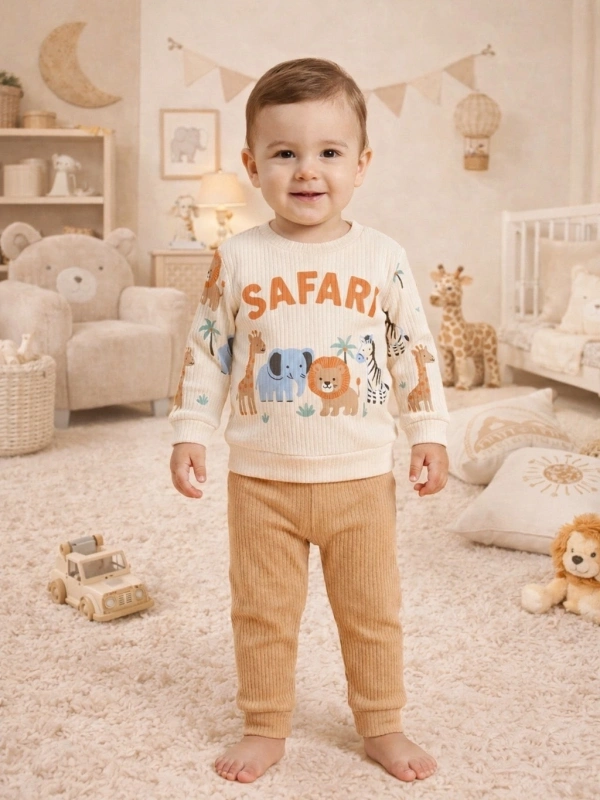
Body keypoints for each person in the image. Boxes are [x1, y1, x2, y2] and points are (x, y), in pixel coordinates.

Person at [169, 57, 449, 785]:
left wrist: (428, 431)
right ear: (252, 165)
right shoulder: (236, 257)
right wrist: (190, 430)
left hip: (359, 480)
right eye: (284, 153)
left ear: (361, 164)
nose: (306, 171)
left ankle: (382, 721)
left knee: (371, 611)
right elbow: (207, 351)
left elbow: (412, 349)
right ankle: (264, 723)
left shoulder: (382, 255)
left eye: (328, 152)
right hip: (262, 482)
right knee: (262, 612)